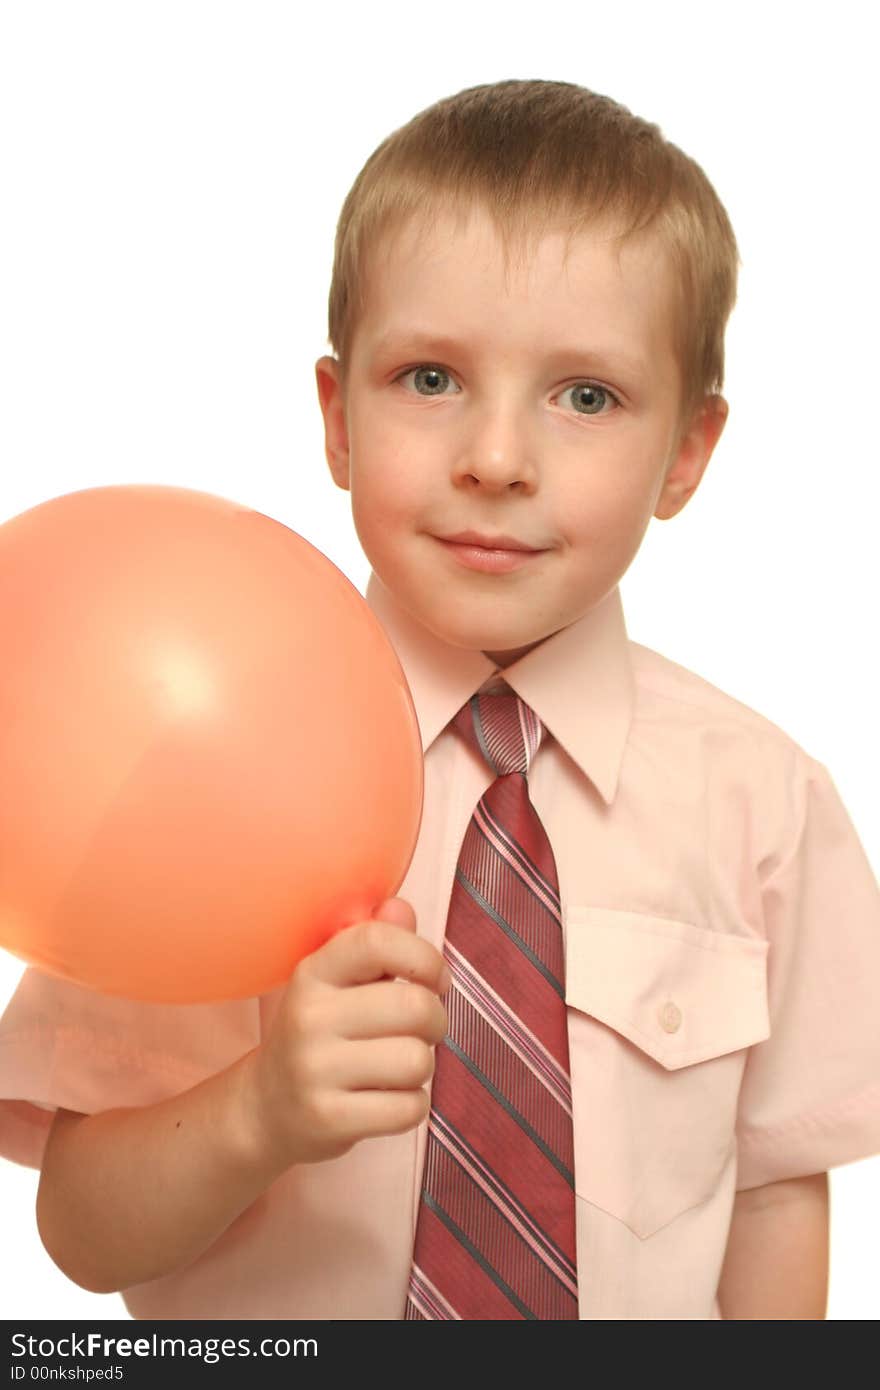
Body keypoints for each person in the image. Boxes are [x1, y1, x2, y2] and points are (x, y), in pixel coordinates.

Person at [1, 78, 878, 1321]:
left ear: (686, 449)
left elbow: (778, 1185)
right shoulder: (176, 759)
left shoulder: (765, 804)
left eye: (586, 396)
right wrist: (257, 1112)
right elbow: (81, 1228)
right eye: (427, 378)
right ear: (336, 418)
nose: (497, 456)